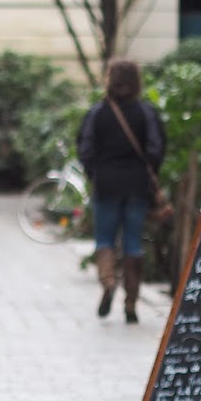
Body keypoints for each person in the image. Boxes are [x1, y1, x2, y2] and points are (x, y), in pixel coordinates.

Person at [76, 57, 166, 325]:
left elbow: (85, 148)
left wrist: (95, 173)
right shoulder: (145, 113)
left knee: (104, 240)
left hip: (105, 184)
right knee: (133, 243)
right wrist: (148, 172)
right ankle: (131, 303)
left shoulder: (97, 113)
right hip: (136, 185)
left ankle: (108, 282)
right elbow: (156, 148)